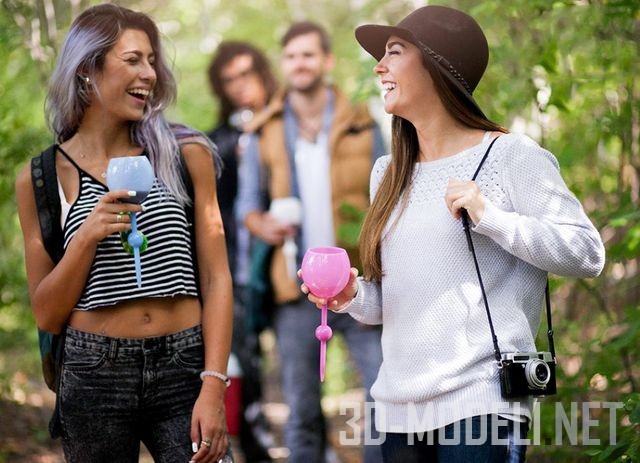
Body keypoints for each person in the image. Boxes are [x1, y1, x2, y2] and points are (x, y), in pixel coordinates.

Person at [302, 5, 606, 463]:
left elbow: (587, 253)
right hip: (398, 411)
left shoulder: (511, 156)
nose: (379, 66)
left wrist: (490, 216)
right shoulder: (388, 172)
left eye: (394, 52)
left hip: (480, 403)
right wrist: (351, 296)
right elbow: (395, 303)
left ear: (437, 66)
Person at [15, 4, 233, 462]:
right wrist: (86, 237)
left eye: (152, 60)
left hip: (184, 365)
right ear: (87, 70)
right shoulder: (41, 177)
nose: (149, 73)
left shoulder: (185, 154)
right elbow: (47, 315)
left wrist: (214, 385)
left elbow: (216, 278)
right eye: (133, 59)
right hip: (93, 372)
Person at [237, 21, 385, 463]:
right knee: (301, 410)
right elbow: (248, 207)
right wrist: (263, 225)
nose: (299, 63)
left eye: (307, 54)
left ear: (326, 61)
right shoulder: (264, 130)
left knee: (383, 396)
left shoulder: (362, 121)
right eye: (291, 56)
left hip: (360, 284)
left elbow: (387, 200)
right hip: (294, 288)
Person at [207, 41, 278, 463]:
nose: (239, 85)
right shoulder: (217, 140)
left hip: (290, 265)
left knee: (301, 361)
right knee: (247, 362)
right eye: (229, 79)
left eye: (246, 74)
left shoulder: (290, 124)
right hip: (240, 268)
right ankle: (256, 448)